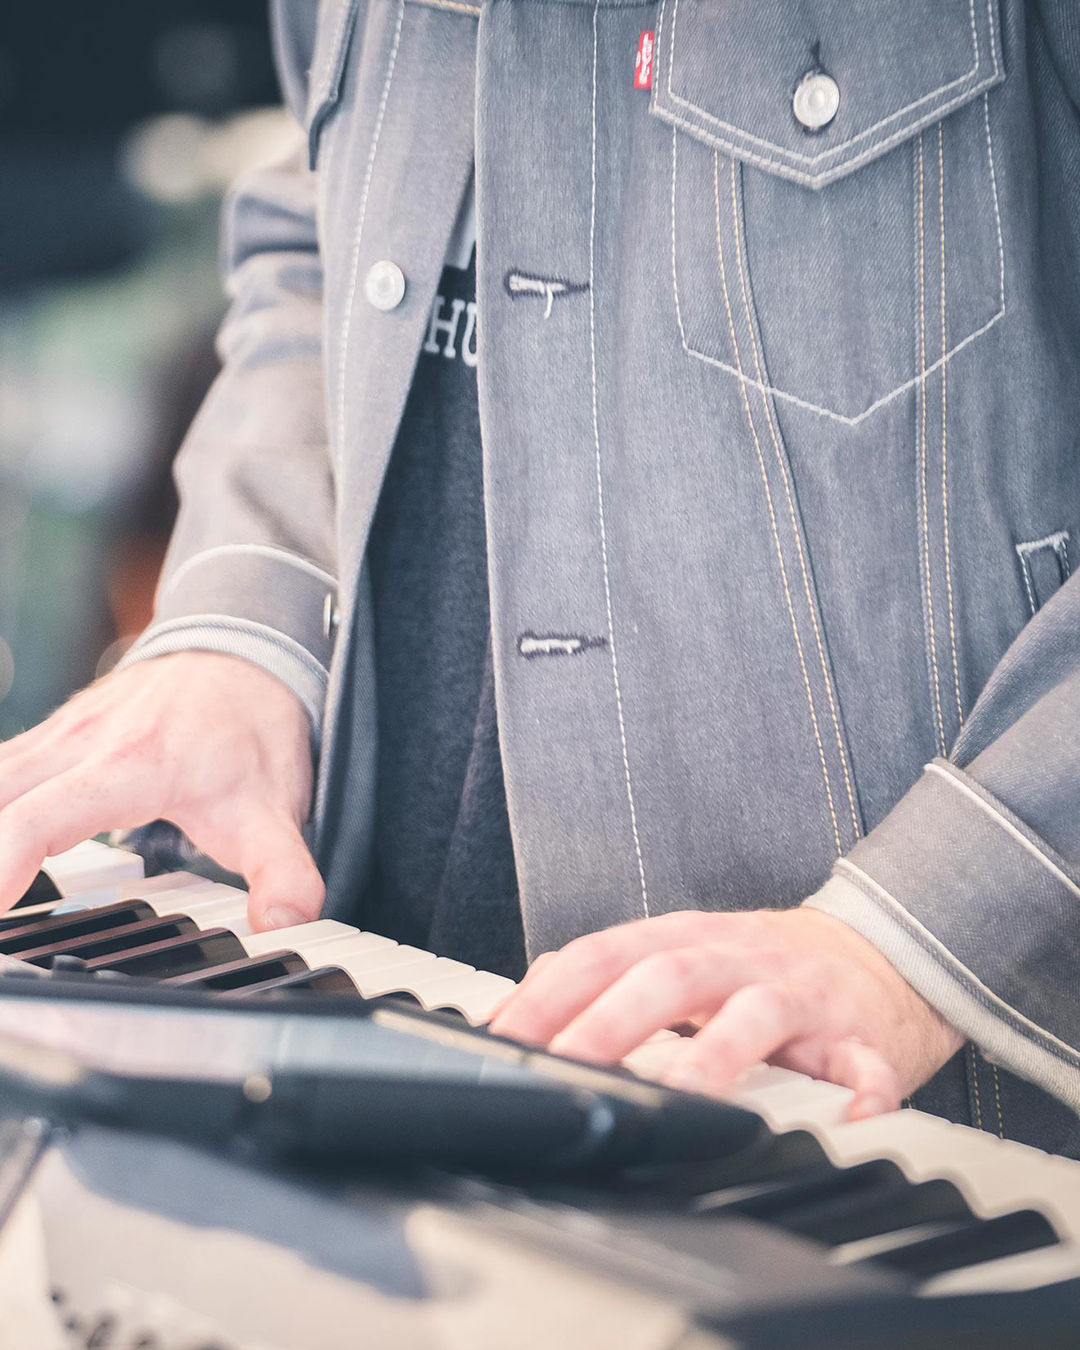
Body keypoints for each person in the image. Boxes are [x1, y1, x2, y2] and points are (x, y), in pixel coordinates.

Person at [3, 0, 1080, 1155]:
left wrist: (922, 936)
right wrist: (239, 624)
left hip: (886, 1109)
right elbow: (316, 222)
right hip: (343, 996)